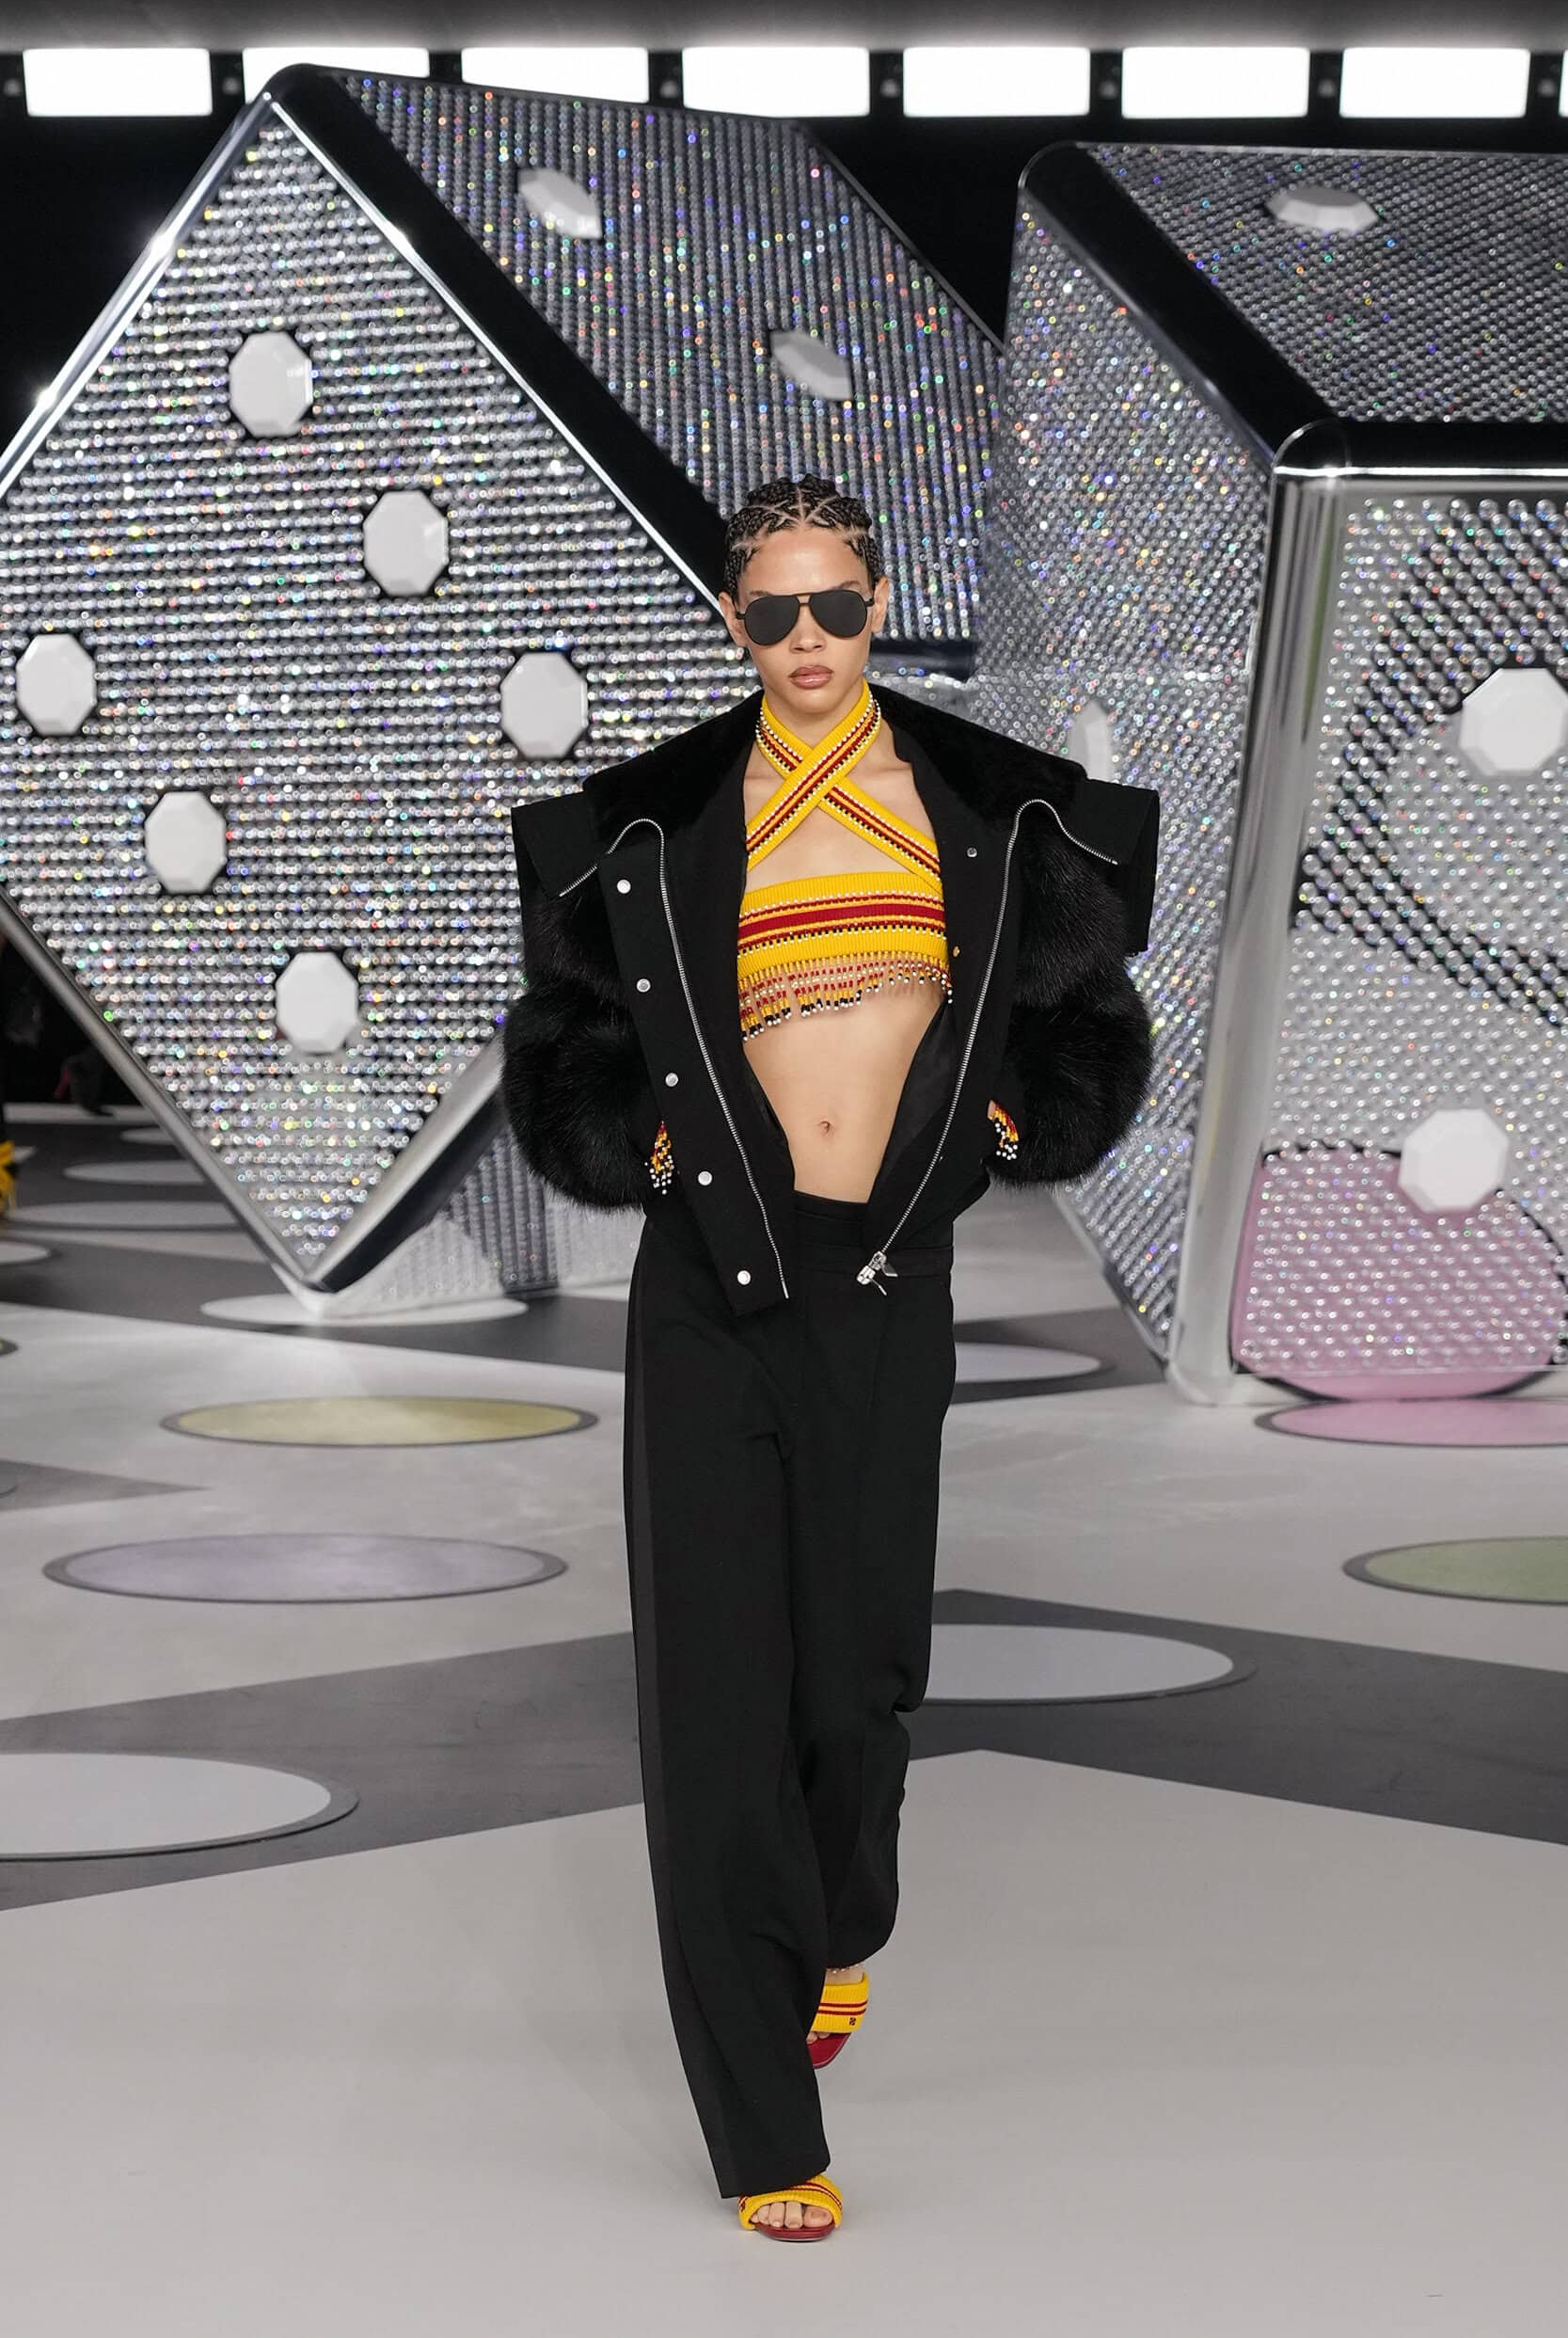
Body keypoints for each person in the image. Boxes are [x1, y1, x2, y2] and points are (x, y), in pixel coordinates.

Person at [500, 472, 1160, 2240]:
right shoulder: (651, 824)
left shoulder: (990, 810)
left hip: (889, 1273)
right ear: (736, 622)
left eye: (838, 607)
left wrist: (1008, 1118)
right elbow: (562, 1044)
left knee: (854, 1677)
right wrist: (638, 1146)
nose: (808, 641)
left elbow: (1092, 1025)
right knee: (713, 1698)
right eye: (775, 611)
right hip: (712, 1284)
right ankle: (764, 2129)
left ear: (879, 607)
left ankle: (841, 1910)